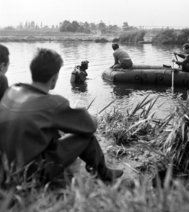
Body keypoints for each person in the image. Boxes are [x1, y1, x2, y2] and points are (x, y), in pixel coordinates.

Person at [0, 48, 123, 183]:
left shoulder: (12, 91)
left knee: (50, 129)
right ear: (54, 78)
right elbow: (90, 126)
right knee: (87, 138)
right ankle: (103, 173)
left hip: (4, 169)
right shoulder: (53, 104)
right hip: (29, 176)